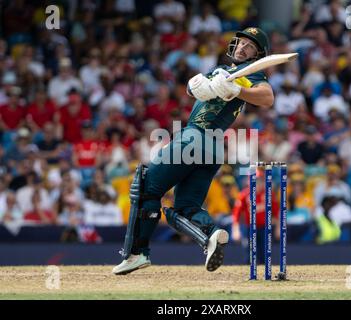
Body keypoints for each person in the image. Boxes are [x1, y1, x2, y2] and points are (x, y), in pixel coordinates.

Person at [112, 27, 274, 275]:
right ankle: (210, 234)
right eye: (240, 42)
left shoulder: (248, 75)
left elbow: (266, 97)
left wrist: (238, 90)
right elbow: (193, 89)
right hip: (213, 149)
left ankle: (136, 253)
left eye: (249, 46)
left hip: (195, 136)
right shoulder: (224, 71)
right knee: (185, 208)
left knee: (145, 187)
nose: (242, 47)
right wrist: (197, 85)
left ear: (258, 54)